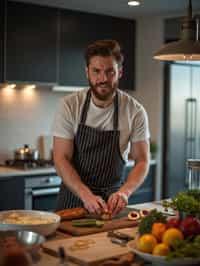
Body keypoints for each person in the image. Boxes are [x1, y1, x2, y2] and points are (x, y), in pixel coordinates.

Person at [52, 39, 150, 216]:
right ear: (87, 72)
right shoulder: (69, 105)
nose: (103, 79)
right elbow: (61, 158)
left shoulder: (134, 111)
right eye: (96, 71)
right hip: (73, 200)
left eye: (109, 72)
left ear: (119, 72)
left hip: (113, 203)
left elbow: (142, 160)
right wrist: (86, 195)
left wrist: (124, 192)